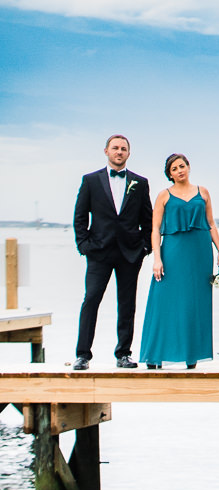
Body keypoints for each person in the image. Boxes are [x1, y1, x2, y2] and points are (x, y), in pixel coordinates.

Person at [73, 134, 153, 370]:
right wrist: (84, 245)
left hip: (130, 253)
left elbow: (147, 219)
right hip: (99, 251)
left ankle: (123, 354)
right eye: (115, 148)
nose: (119, 152)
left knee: (127, 304)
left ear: (129, 154)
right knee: (91, 300)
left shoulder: (140, 183)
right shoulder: (90, 181)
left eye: (123, 149)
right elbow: (80, 216)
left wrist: (145, 247)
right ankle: (83, 355)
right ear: (106, 151)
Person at [138, 154, 219, 368]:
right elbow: (155, 229)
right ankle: (155, 354)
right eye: (174, 168)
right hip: (173, 252)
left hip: (200, 252)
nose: (179, 170)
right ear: (170, 174)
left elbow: (211, 223)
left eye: (182, 166)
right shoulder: (164, 196)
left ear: (189, 167)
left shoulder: (202, 192)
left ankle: (191, 354)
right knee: (163, 301)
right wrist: (157, 259)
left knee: (194, 302)